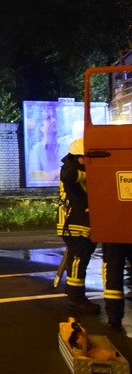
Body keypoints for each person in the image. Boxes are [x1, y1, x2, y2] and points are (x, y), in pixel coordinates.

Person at [57, 138, 100, 315]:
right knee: (78, 260)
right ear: (77, 156)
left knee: (80, 260)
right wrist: (94, 173)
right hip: (74, 222)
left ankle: (76, 295)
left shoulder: (74, 166)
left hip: (78, 222)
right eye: (85, 158)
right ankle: (75, 299)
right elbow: (70, 176)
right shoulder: (70, 169)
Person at [102, 242, 132, 329]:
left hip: (113, 237)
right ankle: (114, 317)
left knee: (113, 273)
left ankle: (114, 317)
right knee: (113, 274)